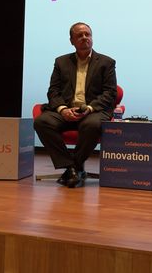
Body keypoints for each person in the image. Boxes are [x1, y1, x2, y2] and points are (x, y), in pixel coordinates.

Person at [33, 22, 117, 188]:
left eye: (87, 34)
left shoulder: (106, 62)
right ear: (72, 41)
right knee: (42, 122)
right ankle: (72, 167)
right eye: (80, 35)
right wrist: (63, 110)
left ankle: (74, 167)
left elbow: (110, 93)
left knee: (92, 125)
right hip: (67, 110)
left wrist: (89, 108)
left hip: (93, 110)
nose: (85, 38)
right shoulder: (61, 62)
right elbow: (53, 91)